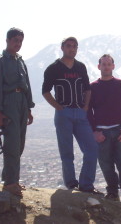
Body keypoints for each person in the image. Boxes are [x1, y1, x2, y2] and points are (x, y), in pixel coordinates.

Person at [42, 37, 102, 194]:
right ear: (62, 47)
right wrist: (58, 107)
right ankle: (71, 184)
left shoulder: (81, 67)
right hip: (64, 113)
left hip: (80, 113)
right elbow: (46, 91)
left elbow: (87, 88)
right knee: (67, 152)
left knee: (91, 149)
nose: (72, 49)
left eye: (75, 46)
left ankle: (86, 185)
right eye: (69, 46)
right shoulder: (53, 68)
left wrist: (86, 106)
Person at [0, 27, 35, 197]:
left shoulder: (20, 61)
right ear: (7, 40)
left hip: (22, 103)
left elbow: (27, 84)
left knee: (20, 143)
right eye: (15, 40)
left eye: (21, 41)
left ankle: (11, 178)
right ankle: (10, 183)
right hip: (8, 103)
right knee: (12, 144)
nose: (18, 44)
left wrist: (29, 108)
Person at [88, 54, 121, 205]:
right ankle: (112, 192)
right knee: (106, 164)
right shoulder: (92, 87)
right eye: (103, 64)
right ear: (99, 67)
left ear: (113, 66)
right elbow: (87, 111)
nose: (106, 66)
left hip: (119, 131)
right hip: (101, 133)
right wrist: (94, 132)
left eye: (109, 64)